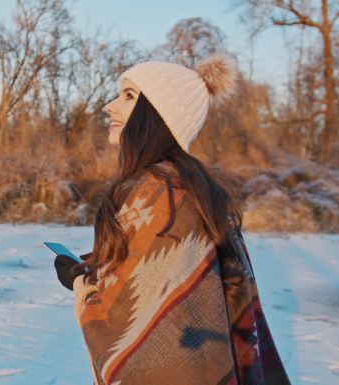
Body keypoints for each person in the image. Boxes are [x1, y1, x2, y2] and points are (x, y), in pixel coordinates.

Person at [53, 54, 291, 385]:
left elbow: (129, 313)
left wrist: (81, 285)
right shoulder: (191, 183)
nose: (110, 106)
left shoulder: (160, 190)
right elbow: (154, 275)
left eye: (128, 96)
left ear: (158, 114)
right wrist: (95, 267)